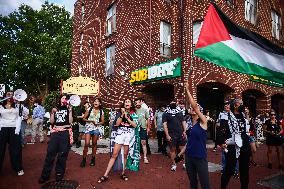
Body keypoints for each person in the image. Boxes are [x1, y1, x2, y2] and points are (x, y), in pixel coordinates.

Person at [97, 99, 138, 183]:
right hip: (120, 135)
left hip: (129, 136)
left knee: (125, 155)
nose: (127, 103)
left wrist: (127, 118)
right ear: (124, 104)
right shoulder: (119, 113)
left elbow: (134, 125)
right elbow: (117, 123)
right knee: (114, 154)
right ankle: (105, 174)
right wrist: (122, 115)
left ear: (131, 105)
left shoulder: (133, 113)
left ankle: (123, 173)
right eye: (125, 102)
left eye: (128, 102)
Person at [38, 94, 73, 184]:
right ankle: (45, 175)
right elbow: (52, 122)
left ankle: (59, 174)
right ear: (60, 99)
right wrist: (52, 113)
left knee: (62, 154)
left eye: (66, 98)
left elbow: (70, 122)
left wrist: (70, 110)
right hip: (55, 132)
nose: (65, 99)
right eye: (63, 98)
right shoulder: (55, 108)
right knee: (50, 153)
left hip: (65, 132)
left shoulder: (69, 108)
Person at [184, 83, 210, 189]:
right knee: (193, 182)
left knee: (205, 184)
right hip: (189, 156)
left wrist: (187, 89)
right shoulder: (189, 125)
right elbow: (189, 142)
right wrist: (180, 155)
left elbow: (194, 105)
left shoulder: (203, 122)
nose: (193, 107)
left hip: (200, 157)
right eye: (192, 107)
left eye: (196, 107)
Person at [220, 99, 251, 189]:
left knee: (244, 170)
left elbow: (249, 128)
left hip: (244, 145)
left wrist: (247, 115)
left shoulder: (244, 116)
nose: (242, 105)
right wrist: (222, 142)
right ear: (234, 105)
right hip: (232, 146)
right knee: (229, 169)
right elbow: (221, 131)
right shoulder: (226, 116)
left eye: (242, 103)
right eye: (240, 104)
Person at [0, 92, 24, 176]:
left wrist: (19, 103)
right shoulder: (0, 106)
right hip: (2, 128)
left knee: (16, 149)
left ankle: (18, 167)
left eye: (11, 94)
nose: (9, 95)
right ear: (5, 96)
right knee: (0, 149)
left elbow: (20, 117)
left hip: (14, 129)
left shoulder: (17, 106)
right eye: (8, 94)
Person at [162, 100, 187, 171]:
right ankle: (174, 164)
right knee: (172, 150)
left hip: (181, 134)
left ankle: (185, 164)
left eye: (174, 102)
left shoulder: (179, 112)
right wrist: (167, 135)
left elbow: (183, 121)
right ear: (169, 104)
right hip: (171, 135)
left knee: (183, 150)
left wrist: (185, 131)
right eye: (171, 102)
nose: (173, 103)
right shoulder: (165, 113)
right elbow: (164, 125)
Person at [80, 98, 104, 167]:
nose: (96, 102)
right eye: (95, 101)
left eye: (98, 101)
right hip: (89, 128)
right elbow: (84, 118)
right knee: (87, 143)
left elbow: (102, 121)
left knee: (94, 144)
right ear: (93, 103)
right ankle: (84, 159)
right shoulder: (89, 109)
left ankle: (93, 159)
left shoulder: (101, 111)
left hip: (96, 128)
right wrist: (91, 121)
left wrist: (98, 123)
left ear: (100, 104)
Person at [135, 98, 150, 164]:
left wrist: (148, 128)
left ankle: (145, 157)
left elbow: (148, 118)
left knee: (143, 142)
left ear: (141, 102)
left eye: (138, 102)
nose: (137, 104)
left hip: (143, 128)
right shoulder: (133, 110)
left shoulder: (145, 110)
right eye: (136, 103)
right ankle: (137, 155)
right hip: (135, 128)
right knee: (136, 142)